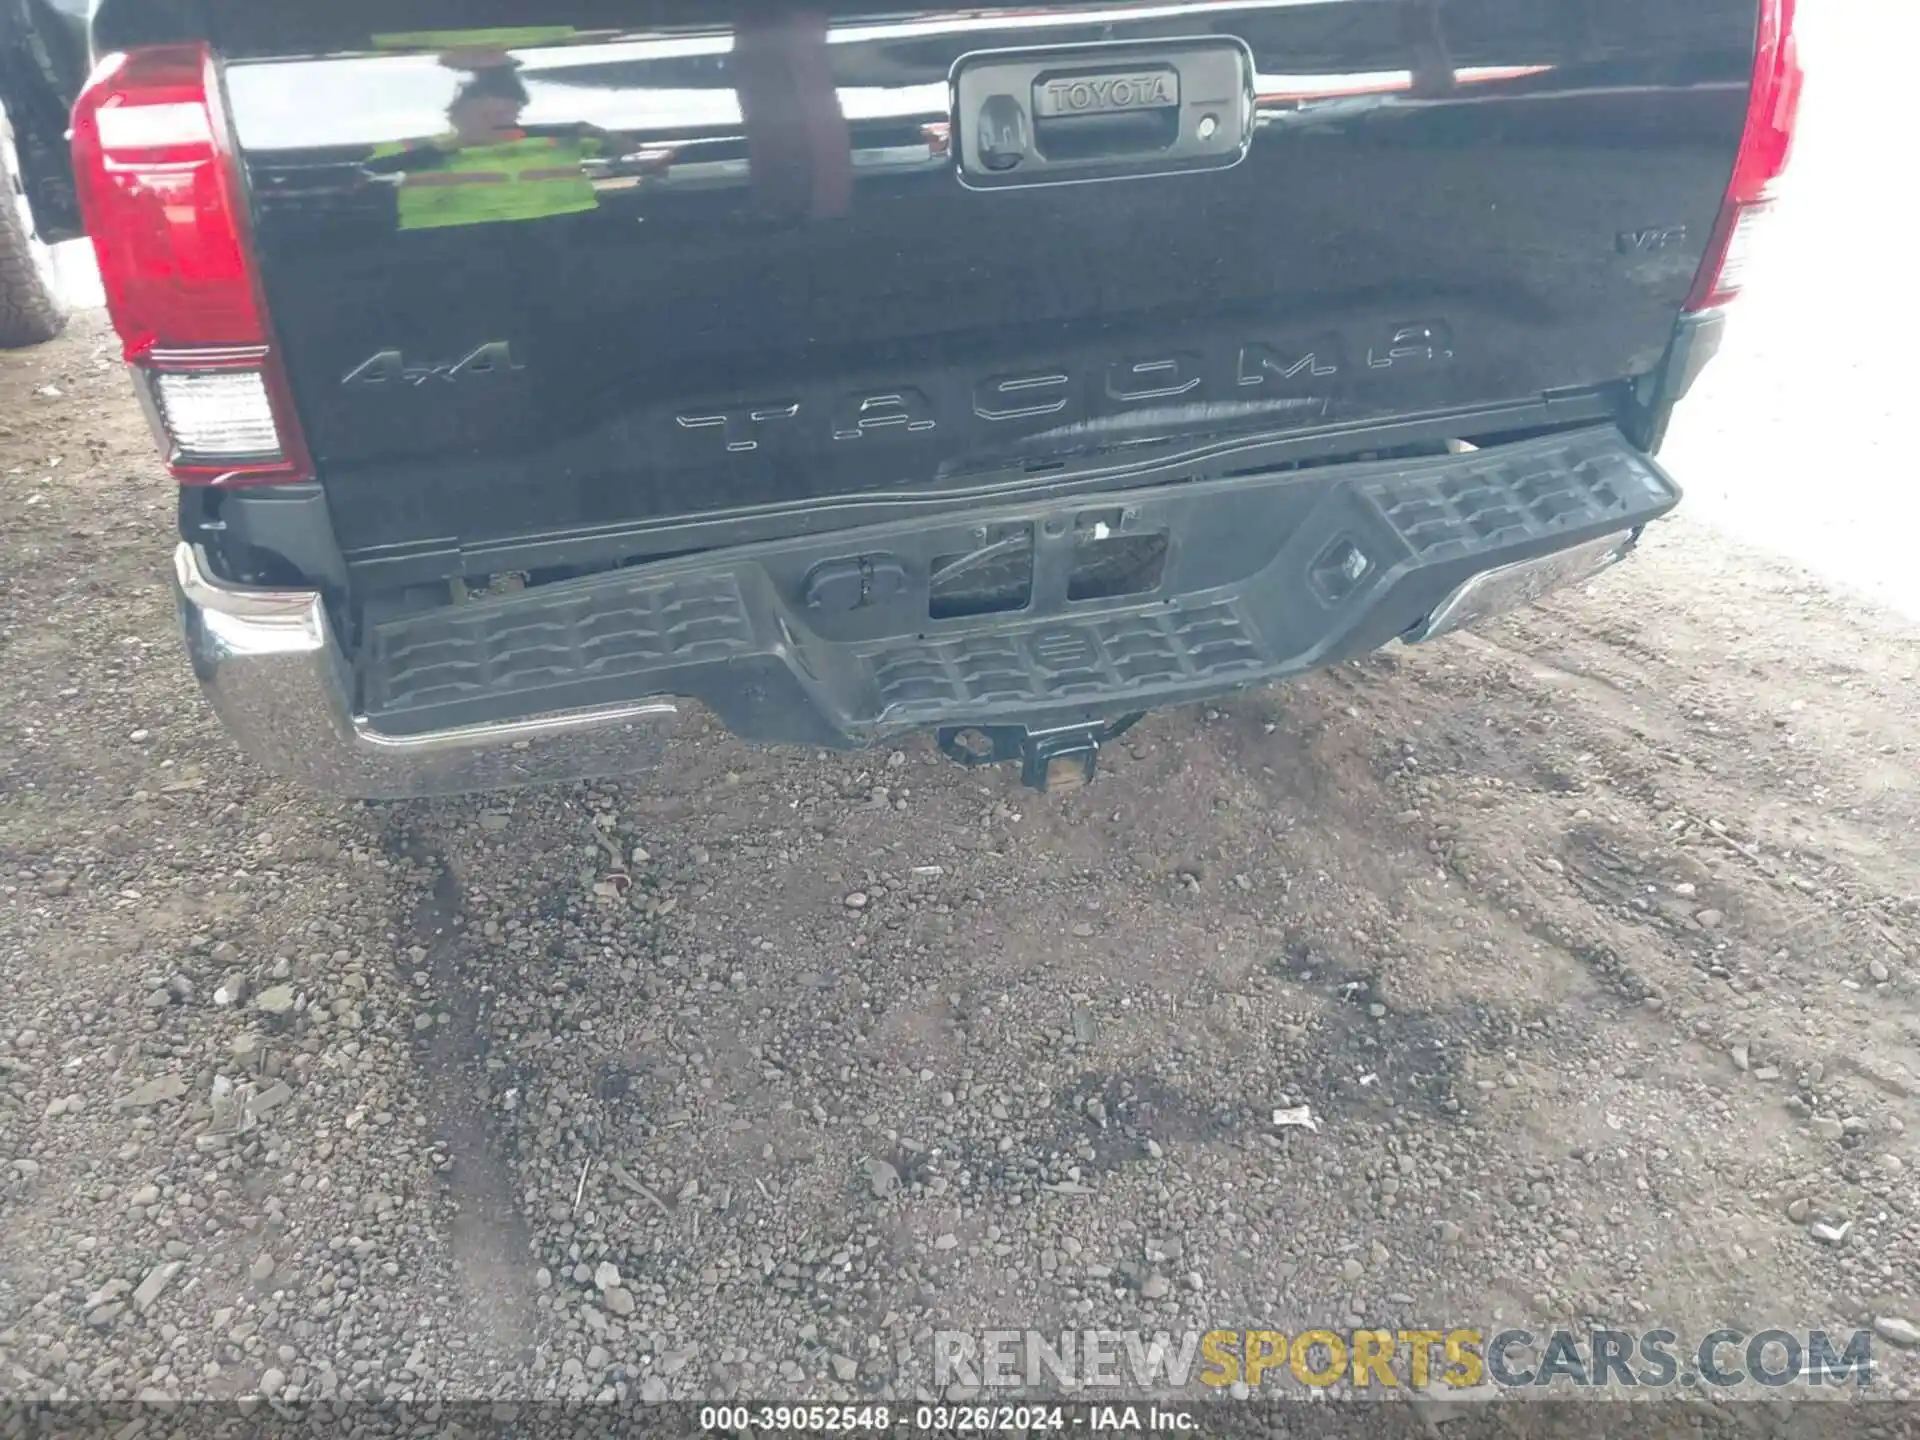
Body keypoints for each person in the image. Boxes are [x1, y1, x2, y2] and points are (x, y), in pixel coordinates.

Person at [363, 61, 609, 230]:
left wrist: (595, 131)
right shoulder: (417, 142)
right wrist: (459, 143)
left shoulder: (551, 138)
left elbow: (627, 150)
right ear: (455, 112)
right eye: (486, 113)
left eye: (507, 111)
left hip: (558, 226)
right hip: (445, 234)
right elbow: (373, 169)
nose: (500, 118)